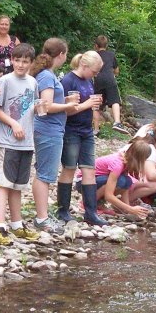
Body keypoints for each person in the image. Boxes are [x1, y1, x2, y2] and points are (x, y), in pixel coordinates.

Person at [0, 43, 41, 245]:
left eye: (25, 61)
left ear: (30, 63)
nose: (20, 64)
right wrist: (12, 122)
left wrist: (38, 108)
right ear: (12, 60)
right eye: (17, 60)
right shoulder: (4, 81)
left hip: (27, 141)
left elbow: (34, 105)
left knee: (18, 185)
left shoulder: (33, 82)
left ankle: (17, 224)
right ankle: (0, 225)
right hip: (9, 140)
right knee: (4, 183)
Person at [29, 38, 79, 234]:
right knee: (45, 174)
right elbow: (47, 106)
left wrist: (65, 100)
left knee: (45, 172)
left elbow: (49, 100)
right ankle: (42, 218)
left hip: (50, 129)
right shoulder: (47, 76)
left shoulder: (47, 75)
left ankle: (42, 215)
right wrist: (68, 105)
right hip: (48, 129)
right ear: (61, 54)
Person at [57, 51, 105, 225]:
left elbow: (87, 104)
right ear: (84, 66)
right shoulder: (69, 80)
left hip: (86, 131)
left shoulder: (88, 81)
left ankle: (90, 212)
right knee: (69, 168)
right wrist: (87, 104)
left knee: (89, 170)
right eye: (94, 71)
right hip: (71, 130)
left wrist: (93, 105)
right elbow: (65, 109)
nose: (95, 75)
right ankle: (63, 210)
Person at [92, 141, 155, 219]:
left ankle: (98, 203)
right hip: (85, 183)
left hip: (98, 180)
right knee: (120, 181)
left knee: (127, 181)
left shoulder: (126, 160)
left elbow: (126, 188)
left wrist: (127, 210)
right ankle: (89, 204)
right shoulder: (118, 165)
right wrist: (131, 209)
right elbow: (109, 196)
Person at [92, 35, 129, 135]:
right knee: (115, 100)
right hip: (109, 79)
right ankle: (117, 122)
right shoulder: (111, 55)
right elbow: (117, 71)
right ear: (107, 45)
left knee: (96, 105)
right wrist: (112, 73)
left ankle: (96, 129)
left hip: (97, 79)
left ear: (95, 45)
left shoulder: (94, 55)